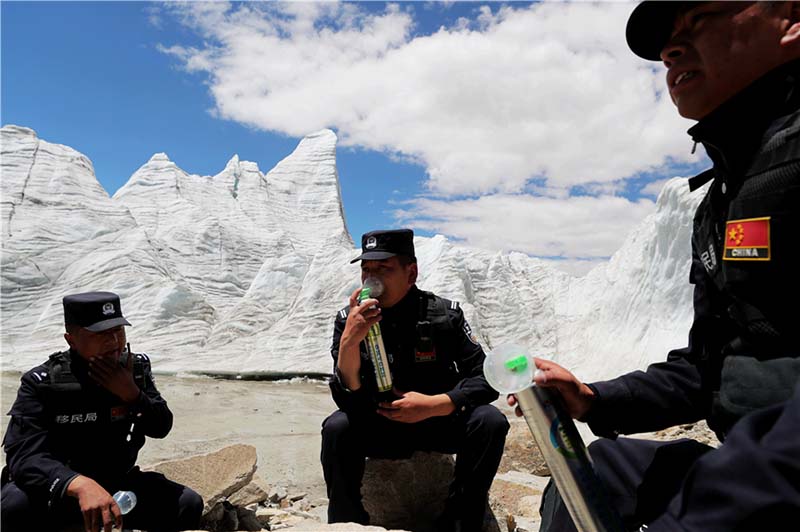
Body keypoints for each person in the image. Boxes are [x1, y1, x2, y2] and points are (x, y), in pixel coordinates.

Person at [509, 2, 800, 531]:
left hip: (782, 468)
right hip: (759, 462)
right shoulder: (723, 199)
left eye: (701, 19)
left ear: (791, 18)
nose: (669, 50)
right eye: (668, 39)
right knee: (597, 472)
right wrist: (594, 399)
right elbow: (706, 368)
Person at [321, 229, 509, 532]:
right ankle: (347, 523)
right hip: (380, 424)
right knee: (337, 427)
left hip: (436, 422)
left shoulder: (443, 315)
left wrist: (436, 404)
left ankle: (461, 519)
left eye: (384, 269)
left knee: (489, 421)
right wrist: (349, 343)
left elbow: (486, 378)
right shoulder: (349, 319)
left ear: (411, 273)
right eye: (366, 269)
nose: (372, 279)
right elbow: (348, 397)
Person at [1, 291, 203, 532]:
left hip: (116, 484)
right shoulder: (44, 382)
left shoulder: (134, 370)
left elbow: (161, 427)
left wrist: (133, 395)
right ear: (71, 339)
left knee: (186, 504)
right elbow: (24, 457)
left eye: (118, 331)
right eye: (101, 334)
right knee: (14, 506)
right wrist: (78, 484)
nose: (114, 341)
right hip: (63, 489)